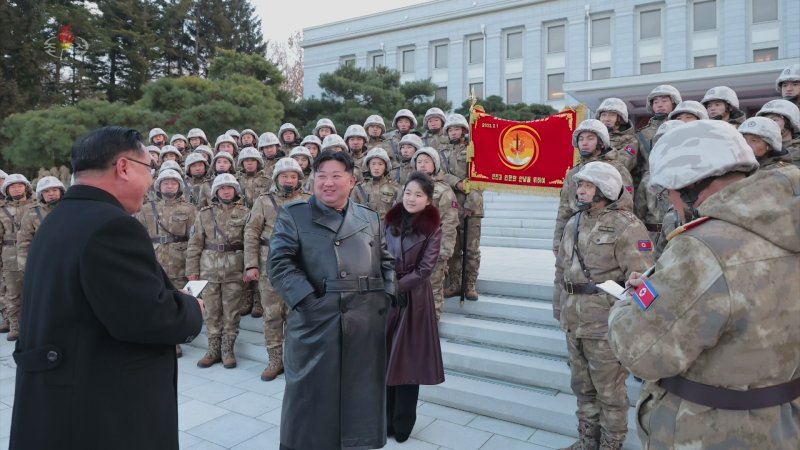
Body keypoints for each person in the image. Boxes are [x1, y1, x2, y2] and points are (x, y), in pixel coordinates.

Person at [608, 120, 800, 449]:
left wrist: (629, 302)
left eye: (670, 192)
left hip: (710, 430)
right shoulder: (785, 220)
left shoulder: (706, 246)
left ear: (692, 185)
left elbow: (642, 352)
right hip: (784, 424)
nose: (673, 203)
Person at [9, 126, 203, 450]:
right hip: (103, 414)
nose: (151, 181)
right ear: (124, 167)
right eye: (149, 169)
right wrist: (190, 310)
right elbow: (148, 318)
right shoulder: (111, 226)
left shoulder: (58, 219)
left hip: (59, 402)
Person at [268, 150, 395, 450]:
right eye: (321, 176)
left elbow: (386, 260)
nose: (328, 183)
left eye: (336, 176)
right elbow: (279, 264)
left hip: (364, 324)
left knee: (358, 398)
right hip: (317, 321)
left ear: (351, 181)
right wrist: (311, 304)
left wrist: (387, 297)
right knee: (310, 399)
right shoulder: (294, 214)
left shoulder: (369, 216)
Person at [553, 161, 653, 450]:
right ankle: (587, 440)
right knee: (582, 388)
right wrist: (558, 309)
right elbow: (561, 271)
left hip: (606, 323)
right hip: (574, 320)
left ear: (605, 189)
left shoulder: (627, 225)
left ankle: (611, 443)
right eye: (580, 185)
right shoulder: (573, 222)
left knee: (609, 392)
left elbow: (643, 279)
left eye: (587, 185)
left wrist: (635, 325)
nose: (580, 190)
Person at [383, 171, 445, 443]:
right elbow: (379, 255)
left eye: (418, 194)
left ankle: (403, 422)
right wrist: (386, 284)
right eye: (408, 192)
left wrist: (398, 287)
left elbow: (425, 268)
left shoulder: (433, 228)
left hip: (413, 300)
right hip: (386, 297)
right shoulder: (389, 221)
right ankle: (385, 419)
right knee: (385, 359)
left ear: (428, 200)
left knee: (407, 363)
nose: (411, 198)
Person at [244, 157, 311, 382]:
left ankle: (293, 358)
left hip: (299, 265)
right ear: (276, 178)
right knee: (272, 315)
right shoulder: (263, 201)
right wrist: (251, 264)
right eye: (285, 176)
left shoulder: (308, 200)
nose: (289, 180)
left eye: (293, 176)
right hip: (269, 264)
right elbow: (252, 233)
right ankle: (275, 360)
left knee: (297, 314)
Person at [186, 173, 249, 369]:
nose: (226, 191)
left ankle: (227, 350)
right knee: (212, 312)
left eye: (230, 188)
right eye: (222, 188)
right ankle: (212, 350)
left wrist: (249, 267)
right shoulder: (204, 214)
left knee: (231, 312)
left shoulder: (246, 213)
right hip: (208, 269)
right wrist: (192, 270)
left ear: (236, 191)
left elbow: (250, 243)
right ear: (216, 192)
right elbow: (195, 243)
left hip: (234, 269)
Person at [134, 168, 198, 358]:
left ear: (179, 186)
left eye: (173, 183)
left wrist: (192, 266)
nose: (169, 186)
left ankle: (175, 340)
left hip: (180, 260)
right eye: (165, 183)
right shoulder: (146, 209)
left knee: (177, 302)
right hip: (155, 261)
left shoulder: (190, 209)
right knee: (155, 301)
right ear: (159, 186)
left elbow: (194, 239)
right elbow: (138, 236)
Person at [554, 119, 633, 256]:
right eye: (581, 139)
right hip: (576, 234)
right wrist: (558, 241)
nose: (584, 143)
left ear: (601, 142)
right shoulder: (574, 173)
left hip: (606, 238)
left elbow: (626, 206)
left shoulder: (616, 169)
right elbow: (564, 209)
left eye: (590, 138)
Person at [439, 114, 483, 300]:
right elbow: (440, 173)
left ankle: (470, 284)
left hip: (473, 206)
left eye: (457, 129)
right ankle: (455, 283)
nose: (454, 132)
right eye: (450, 129)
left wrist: (470, 203)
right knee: (454, 248)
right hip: (451, 205)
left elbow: (481, 178)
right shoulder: (442, 152)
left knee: (472, 249)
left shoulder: (474, 149)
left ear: (464, 130)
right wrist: (458, 183)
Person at [413, 147, 458, 319]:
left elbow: (450, 222)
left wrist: (445, 250)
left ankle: (432, 325)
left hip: (432, 247)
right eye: (419, 162)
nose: (423, 165)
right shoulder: (409, 187)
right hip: (411, 247)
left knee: (433, 287)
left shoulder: (444, 190)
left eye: (427, 161)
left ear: (435, 164)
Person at [0, 174, 33, 340]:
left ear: (26, 187)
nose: (17, 188)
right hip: (10, 255)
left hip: (33, 252)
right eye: (12, 186)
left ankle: (34, 324)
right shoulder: (1, 209)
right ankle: (15, 326)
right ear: (6, 190)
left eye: (20, 185)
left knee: (36, 289)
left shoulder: (37, 207)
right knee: (12, 292)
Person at [16, 176, 65, 272]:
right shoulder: (32, 213)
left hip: (69, 261)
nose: (51, 194)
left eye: (54, 190)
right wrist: (25, 267)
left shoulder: (72, 208)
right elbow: (24, 242)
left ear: (61, 191)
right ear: (41, 194)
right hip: (44, 263)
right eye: (46, 191)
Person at [350, 147, 402, 221]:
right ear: (368, 166)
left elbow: (401, 213)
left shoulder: (395, 188)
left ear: (386, 166)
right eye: (373, 164)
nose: (376, 168)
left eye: (380, 164)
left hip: (387, 228)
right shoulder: (359, 188)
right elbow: (352, 212)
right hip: (365, 227)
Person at [595, 98, 638, 173]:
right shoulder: (595, 138)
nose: (606, 119)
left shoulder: (630, 140)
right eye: (603, 115)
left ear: (620, 119)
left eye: (612, 115)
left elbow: (625, 164)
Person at [756, 99, 800, 167]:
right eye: (766, 120)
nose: (770, 124)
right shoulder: (759, 150)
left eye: (774, 120)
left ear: (789, 122)